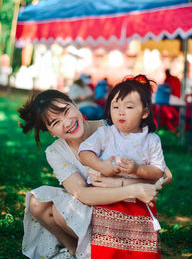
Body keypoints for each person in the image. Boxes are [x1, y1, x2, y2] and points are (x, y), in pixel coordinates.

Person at [18, 89, 171, 259]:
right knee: (38, 202)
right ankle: (74, 250)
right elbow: (81, 193)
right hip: (93, 205)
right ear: (52, 133)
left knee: (61, 213)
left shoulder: (113, 127)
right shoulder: (56, 151)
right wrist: (132, 189)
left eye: (66, 111)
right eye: (55, 122)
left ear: (75, 104)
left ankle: (103, 248)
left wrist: (123, 185)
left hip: (125, 209)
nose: (67, 123)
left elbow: (165, 175)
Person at [78, 74, 166, 258]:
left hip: (139, 201)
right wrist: (101, 166)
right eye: (115, 107)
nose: (121, 112)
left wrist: (137, 169)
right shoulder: (105, 133)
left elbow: (158, 171)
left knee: (141, 248)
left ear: (145, 112)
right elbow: (84, 153)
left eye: (129, 106)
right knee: (107, 247)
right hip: (106, 198)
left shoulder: (151, 140)